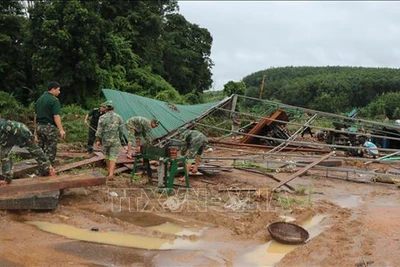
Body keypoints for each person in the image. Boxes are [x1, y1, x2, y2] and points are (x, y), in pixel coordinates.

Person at [0, 119, 56, 186]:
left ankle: (49, 169)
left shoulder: (4, 125)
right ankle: (7, 179)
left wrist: (31, 136)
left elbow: (20, 128)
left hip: (21, 134)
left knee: (36, 151)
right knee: (4, 156)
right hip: (6, 140)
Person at [34, 81, 66, 164]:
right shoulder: (54, 100)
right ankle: (49, 168)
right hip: (49, 128)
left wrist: (35, 132)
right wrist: (61, 130)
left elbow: (35, 116)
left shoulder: (39, 100)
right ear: (53, 89)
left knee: (41, 150)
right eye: (58, 90)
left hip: (39, 127)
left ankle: (41, 168)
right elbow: (56, 116)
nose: (59, 92)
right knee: (50, 149)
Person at [95, 100, 124, 180]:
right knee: (113, 157)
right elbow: (121, 130)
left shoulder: (102, 117)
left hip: (105, 140)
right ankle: (111, 173)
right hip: (115, 140)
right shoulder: (119, 117)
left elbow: (99, 130)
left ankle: (109, 171)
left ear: (106, 108)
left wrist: (98, 140)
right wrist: (120, 138)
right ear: (113, 108)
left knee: (107, 155)